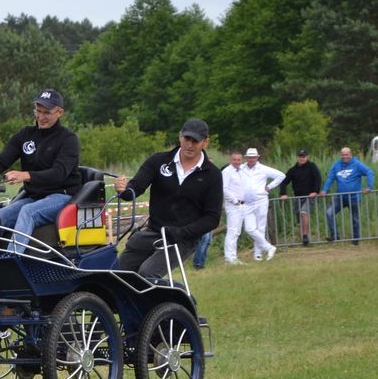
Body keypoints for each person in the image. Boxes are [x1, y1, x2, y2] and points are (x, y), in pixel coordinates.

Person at [0, 88, 81, 253]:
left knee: (28, 212)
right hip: (33, 196)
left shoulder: (68, 139)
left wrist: (26, 175)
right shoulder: (25, 134)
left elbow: (58, 174)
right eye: (38, 111)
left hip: (62, 196)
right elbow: (4, 159)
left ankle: (12, 259)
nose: (41, 117)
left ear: (59, 112)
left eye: (47, 112)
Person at [113, 118, 223, 277]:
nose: (189, 145)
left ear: (205, 142)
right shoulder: (158, 161)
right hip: (153, 232)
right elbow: (136, 187)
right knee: (116, 273)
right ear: (180, 136)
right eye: (187, 139)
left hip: (183, 239)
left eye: (195, 141)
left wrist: (182, 232)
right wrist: (123, 190)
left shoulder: (212, 174)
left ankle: (163, 301)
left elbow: (212, 218)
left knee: (147, 274)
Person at [238, 148, 285, 261]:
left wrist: (269, 187)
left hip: (261, 200)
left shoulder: (263, 169)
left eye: (253, 157)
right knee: (249, 229)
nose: (251, 159)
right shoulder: (240, 168)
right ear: (246, 158)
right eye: (249, 157)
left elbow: (281, 175)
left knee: (260, 228)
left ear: (257, 157)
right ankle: (269, 247)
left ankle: (257, 255)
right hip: (247, 203)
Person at [322, 146, 374, 244]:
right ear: (340, 155)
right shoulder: (336, 165)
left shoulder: (357, 164)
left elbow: (370, 172)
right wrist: (325, 189)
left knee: (355, 219)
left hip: (354, 198)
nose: (344, 157)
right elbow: (330, 178)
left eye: (346, 154)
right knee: (329, 213)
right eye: (343, 155)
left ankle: (355, 239)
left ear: (351, 154)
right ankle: (335, 235)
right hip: (340, 197)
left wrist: (369, 187)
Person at [278, 148, 322, 246]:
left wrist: (315, 191)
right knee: (299, 220)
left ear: (307, 157)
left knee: (304, 212)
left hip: (309, 197)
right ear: (297, 157)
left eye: (304, 156)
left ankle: (305, 236)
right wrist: (283, 193)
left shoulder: (312, 167)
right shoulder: (292, 170)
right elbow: (284, 182)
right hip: (297, 198)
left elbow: (318, 179)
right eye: (300, 157)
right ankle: (303, 240)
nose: (302, 158)